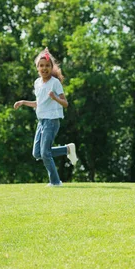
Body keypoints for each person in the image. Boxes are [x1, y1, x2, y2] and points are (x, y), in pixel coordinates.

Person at [14, 48, 78, 186]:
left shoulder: (55, 83)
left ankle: (55, 182)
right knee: (37, 153)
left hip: (52, 120)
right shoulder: (37, 83)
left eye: (47, 66)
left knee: (45, 153)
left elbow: (65, 104)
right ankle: (67, 149)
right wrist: (24, 102)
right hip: (41, 121)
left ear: (51, 67)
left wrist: (55, 98)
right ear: (37, 68)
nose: (44, 68)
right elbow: (40, 103)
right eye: (41, 65)